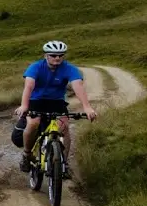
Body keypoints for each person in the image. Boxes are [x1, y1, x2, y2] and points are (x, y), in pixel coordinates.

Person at [15, 40, 97, 176]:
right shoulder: (35, 67)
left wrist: (87, 107)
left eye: (60, 55)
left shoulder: (69, 68)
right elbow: (28, 86)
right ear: (46, 56)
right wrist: (24, 105)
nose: (57, 58)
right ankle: (27, 155)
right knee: (33, 123)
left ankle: (63, 164)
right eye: (53, 55)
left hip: (57, 102)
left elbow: (78, 86)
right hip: (36, 101)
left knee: (64, 128)